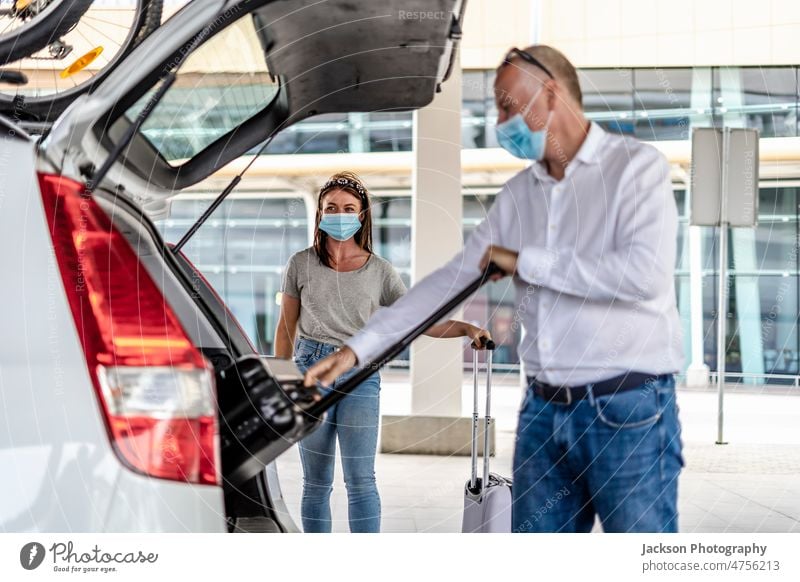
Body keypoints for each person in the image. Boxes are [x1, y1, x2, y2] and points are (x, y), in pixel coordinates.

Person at [302, 46, 686, 533]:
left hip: (628, 412)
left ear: (551, 93)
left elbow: (641, 277)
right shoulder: (520, 195)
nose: (500, 119)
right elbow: (450, 280)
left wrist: (527, 262)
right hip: (544, 413)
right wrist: (359, 350)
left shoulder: (635, 169)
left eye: (507, 105)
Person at [274, 171, 491, 533]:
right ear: (320, 213)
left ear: (361, 215)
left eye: (347, 208)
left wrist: (466, 329)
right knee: (315, 483)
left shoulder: (380, 271)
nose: (338, 214)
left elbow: (418, 319)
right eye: (331, 207)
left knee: (360, 481)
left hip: (360, 375)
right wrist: (283, 381)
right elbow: (285, 328)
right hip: (310, 370)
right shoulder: (300, 263)